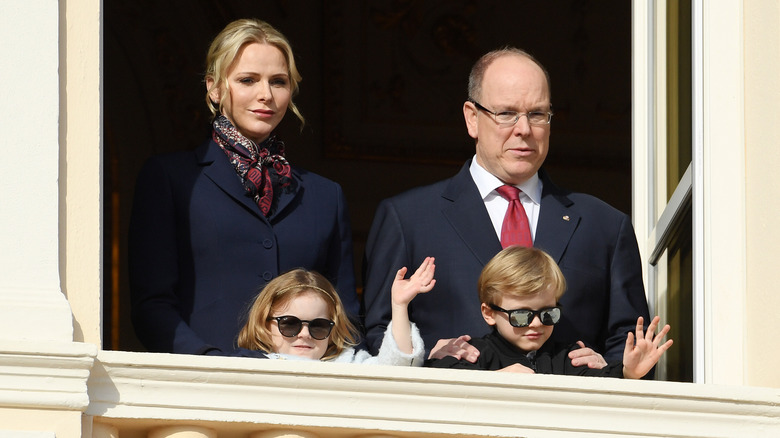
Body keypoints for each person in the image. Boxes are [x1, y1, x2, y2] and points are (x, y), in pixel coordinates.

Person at [362, 46, 650, 365]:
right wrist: (429, 359)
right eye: (507, 113)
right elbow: (377, 334)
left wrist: (607, 374)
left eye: (537, 114)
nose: (524, 129)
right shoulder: (408, 218)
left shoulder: (604, 225)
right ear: (472, 118)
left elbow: (631, 342)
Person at [128, 18, 359, 357]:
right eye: (248, 80)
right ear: (214, 88)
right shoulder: (170, 178)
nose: (265, 95)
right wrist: (212, 364)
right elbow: (153, 306)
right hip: (203, 388)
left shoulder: (326, 196)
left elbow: (346, 315)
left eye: (278, 82)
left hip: (303, 394)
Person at [428, 246, 672, 378]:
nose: (535, 324)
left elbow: (599, 381)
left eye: (548, 314)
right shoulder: (474, 352)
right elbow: (435, 377)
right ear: (489, 313)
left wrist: (628, 372)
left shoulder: (568, 357)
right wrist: (495, 380)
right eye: (521, 315)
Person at [237, 258, 435, 364]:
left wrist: (399, 306)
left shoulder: (347, 365)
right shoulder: (250, 366)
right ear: (265, 325)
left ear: (333, 331)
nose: (305, 334)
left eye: (319, 326)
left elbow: (395, 370)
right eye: (290, 324)